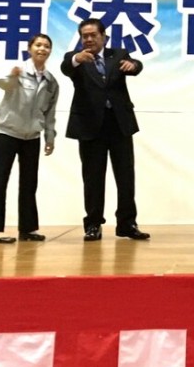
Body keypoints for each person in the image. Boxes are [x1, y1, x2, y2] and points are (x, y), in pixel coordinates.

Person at [61, 18, 150, 242]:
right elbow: (66, 67)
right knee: (93, 178)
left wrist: (134, 66)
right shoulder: (76, 58)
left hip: (119, 124)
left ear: (104, 37)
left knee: (125, 176)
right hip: (90, 126)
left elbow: (136, 65)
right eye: (85, 36)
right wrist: (77, 59)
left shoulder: (117, 54)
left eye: (93, 35)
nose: (89, 39)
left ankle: (127, 223)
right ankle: (93, 224)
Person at [0, 33, 59, 244]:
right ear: (30, 48)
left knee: (29, 183)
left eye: (46, 46)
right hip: (8, 132)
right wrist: (12, 75)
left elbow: (50, 113)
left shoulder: (51, 82)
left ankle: (28, 229)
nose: (42, 49)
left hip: (32, 136)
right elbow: (3, 83)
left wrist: (49, 137)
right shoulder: (18, 70)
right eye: (38, 45)